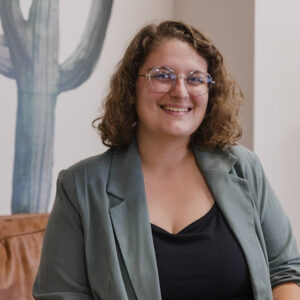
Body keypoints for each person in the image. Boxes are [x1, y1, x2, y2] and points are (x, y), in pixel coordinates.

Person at [33, 20, 300, 300]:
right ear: (132, 86)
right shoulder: (81, 187)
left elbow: (285, 270)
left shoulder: (244, 167)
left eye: (196, 78)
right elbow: (60, 295)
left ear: (210, 91)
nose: (180, 91)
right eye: (163, 75)